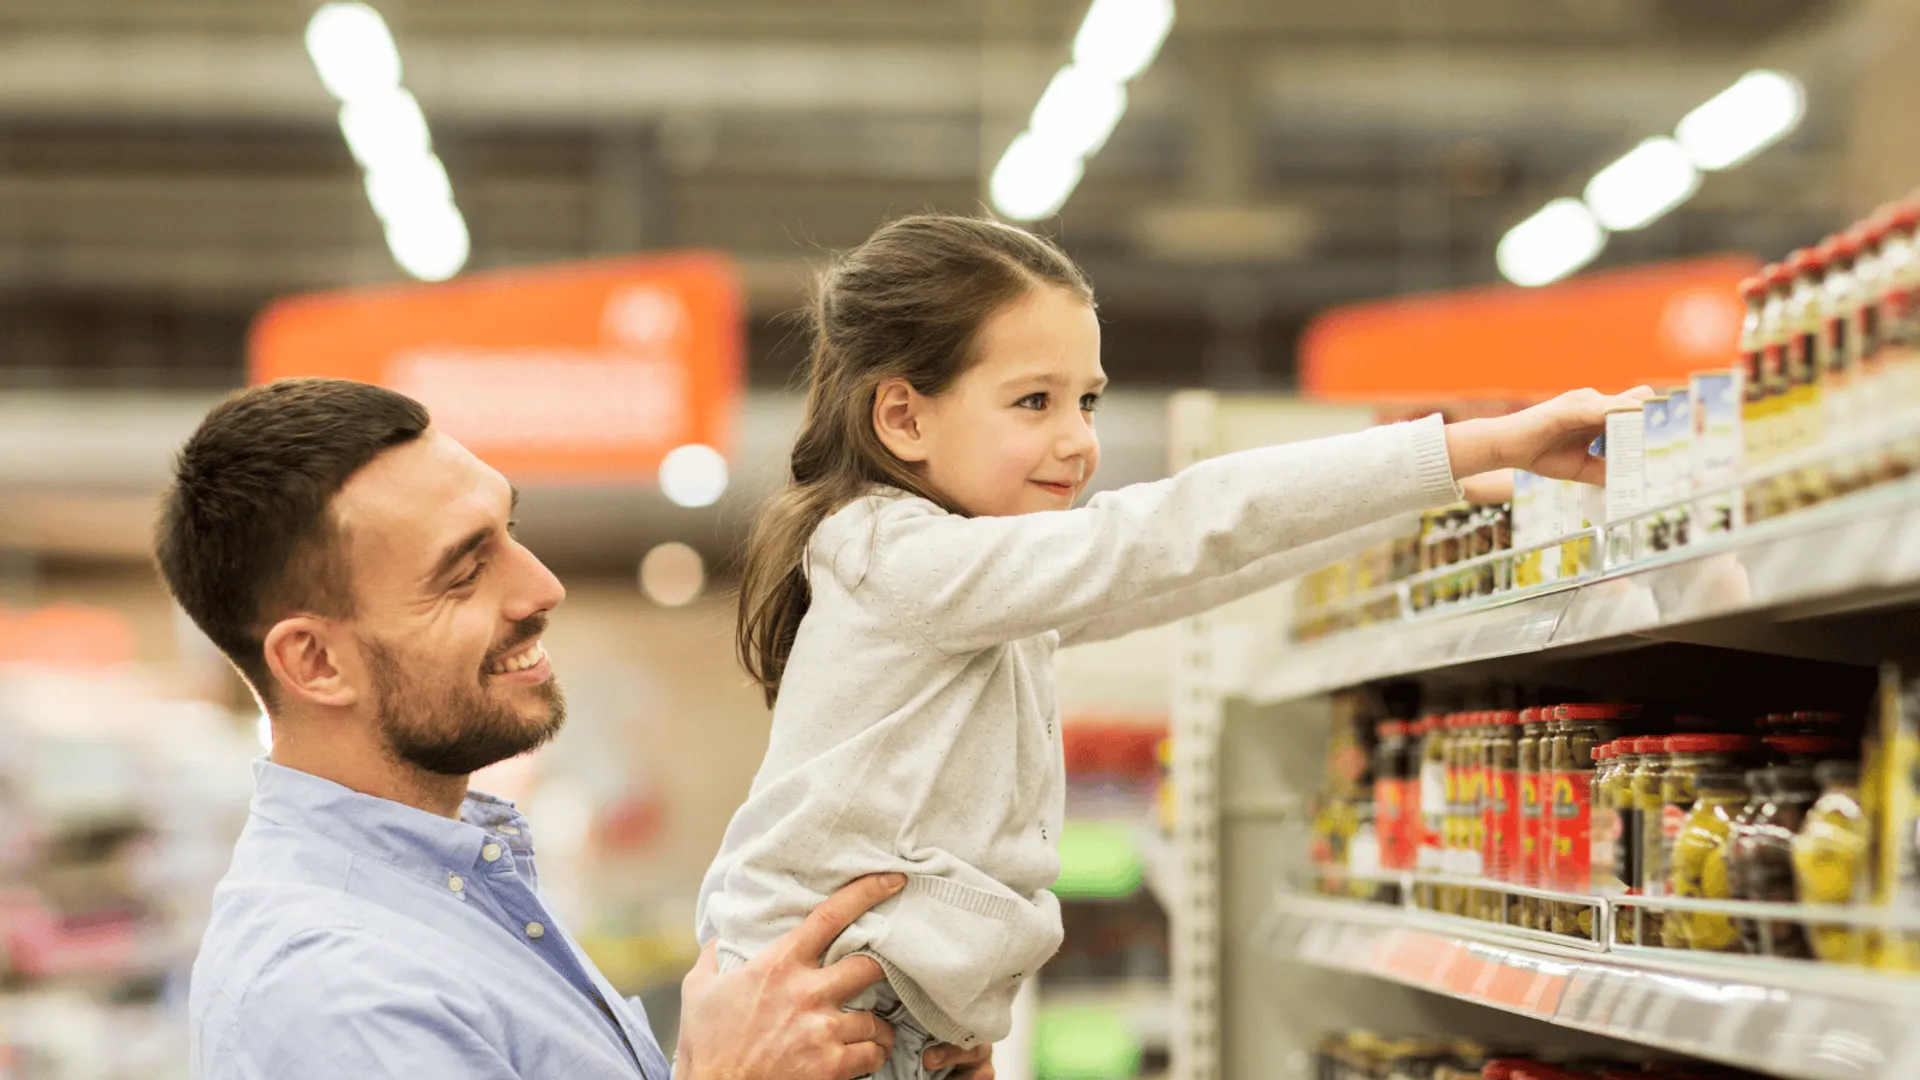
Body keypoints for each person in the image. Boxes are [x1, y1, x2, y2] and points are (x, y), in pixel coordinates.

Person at [697, 213, 1649, 1079]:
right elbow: (1169, 534)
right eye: (1034, 401)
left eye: (1090, 402)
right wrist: (1471, 448)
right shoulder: (898, 559)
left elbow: (1194, 569)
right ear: (903, 417)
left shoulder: (968, 580)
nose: (1077, 441)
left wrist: (1428, 495)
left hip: (885, 1020)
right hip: (821, 1021)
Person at [157, 378, 992, 1080]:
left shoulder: (462, 882)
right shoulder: (335, 990)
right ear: (315, 662)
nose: (541, 588)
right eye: (462, 572)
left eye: (508, 533)